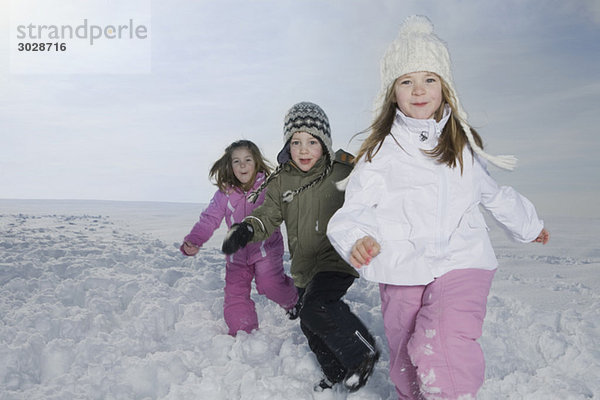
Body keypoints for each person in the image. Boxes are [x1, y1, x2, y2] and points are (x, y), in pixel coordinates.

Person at [326, 15, 550, 400]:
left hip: (462, 261)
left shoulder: (460, 146)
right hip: (403, 266)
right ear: (392, 91)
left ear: (445, 87)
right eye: (406, 81)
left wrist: (529, 225)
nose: (419, 90)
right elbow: (355, 206)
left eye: (429, 79)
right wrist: (357, 238)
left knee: (440, 343)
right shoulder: (381, 153)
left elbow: (492, 194)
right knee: (406, 357)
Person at [221, 102, 380, 393]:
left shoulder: (342, 172)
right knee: (310, 324)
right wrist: (246, 228)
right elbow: (267, 215)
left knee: (317, 306)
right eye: (296, 142)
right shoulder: (282, 181)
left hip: (336, 258)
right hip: (305, 267)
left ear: (325, 143)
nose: (303, 149)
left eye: (311, 141)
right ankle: (335, 373)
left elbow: (373, 195)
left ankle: (363, 353)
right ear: (287, 145)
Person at [181, 139, 298, 337]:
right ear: (230, 166)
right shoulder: (224, 194)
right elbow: (209, 219)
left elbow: (289, 210)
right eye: (236, 161)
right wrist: (195, 240)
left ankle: (294, 300)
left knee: (269, 283)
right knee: (235, 293)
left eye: (247, 160)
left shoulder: (269, 188)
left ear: (257, 163)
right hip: (237, 253)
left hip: (266, 249)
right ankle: (243, 330)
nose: (242, 165)